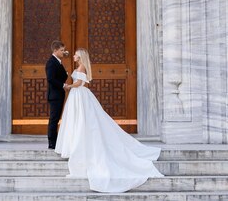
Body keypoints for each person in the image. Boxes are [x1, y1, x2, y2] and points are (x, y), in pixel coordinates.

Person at [55, 48, 164, 193]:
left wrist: (68, 86)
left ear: (80, 56)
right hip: (78, 95)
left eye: (75, 54)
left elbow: (79, 83)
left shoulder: (81, 67)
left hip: (79, 94)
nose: (73, 56)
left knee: (82, 119)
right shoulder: (79, 66)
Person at [45, 40, 68, 149]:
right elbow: (50, 79)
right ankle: (52, 142)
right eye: (62, 50)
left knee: (56, 118)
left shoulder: (57, 61)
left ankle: (55, 140)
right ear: (55, 50)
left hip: (58, 95)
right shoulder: (51, 62)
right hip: (55, 95)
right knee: (54, 119)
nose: (63, 52)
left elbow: (60, 75)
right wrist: (63, 85)